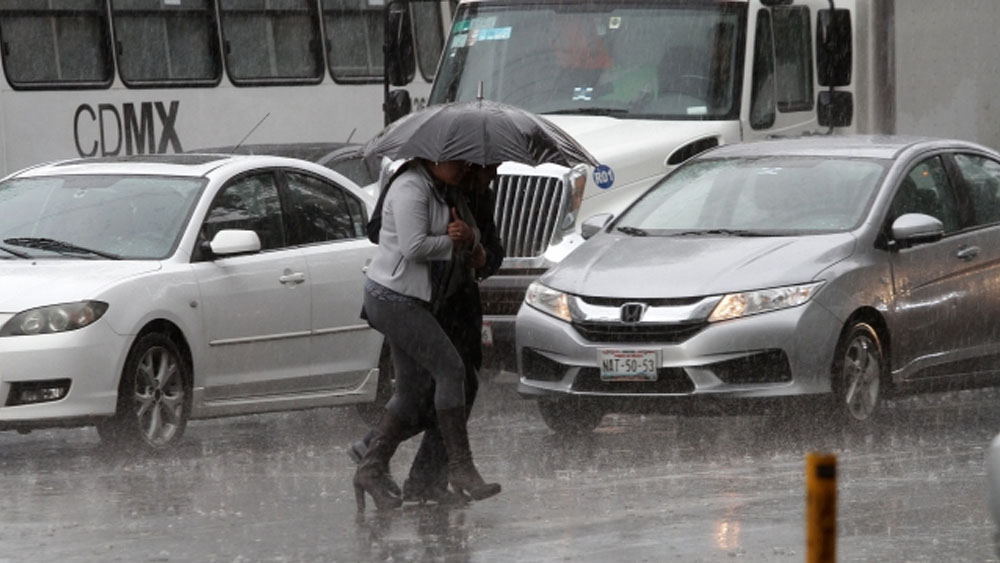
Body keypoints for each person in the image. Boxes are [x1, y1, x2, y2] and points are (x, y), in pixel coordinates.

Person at [349, 164, 503, 504]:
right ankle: (458, 466)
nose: (467, 169)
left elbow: (479, 236)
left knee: (413, 392)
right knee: (451, 372)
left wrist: (471, 240)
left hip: (423, 299)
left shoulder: (450, 190)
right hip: (395, 297)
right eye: (457, 162)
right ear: (436, 158)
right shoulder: (411, 187)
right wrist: (454, 243)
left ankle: (371, 465)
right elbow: (413, 247)